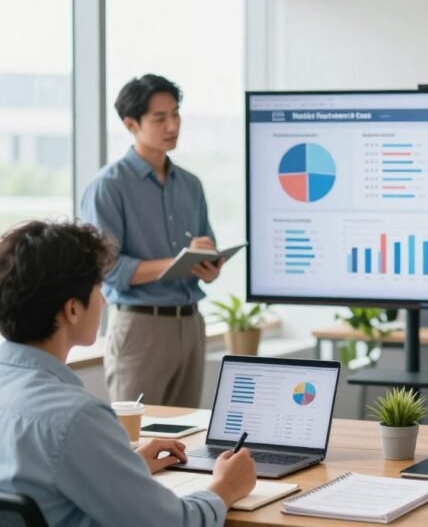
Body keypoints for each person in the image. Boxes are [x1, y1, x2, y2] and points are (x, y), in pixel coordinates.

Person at [0, 220, 255, 526]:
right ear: (72, 310)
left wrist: (127, 465)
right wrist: (226, 487)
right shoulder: (76, 418)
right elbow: (170, 523)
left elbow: (43, 478)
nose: (105, 299)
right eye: (98, 288)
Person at [81, 74, 223, 407]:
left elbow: (207, 250)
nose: (172, 125)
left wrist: (208, 266)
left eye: (176, 114)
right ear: (131, 124)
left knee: (186, 437)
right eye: (160, 118)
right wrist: (177, 263)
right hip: (140, 326)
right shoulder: (108, 186)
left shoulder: (191, 184)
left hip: (191, 323)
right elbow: (108, 269)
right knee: (136, 437)